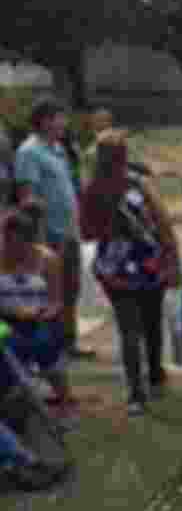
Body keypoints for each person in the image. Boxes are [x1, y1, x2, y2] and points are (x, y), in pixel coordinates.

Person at [80, 131, 181, 414]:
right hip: (144, 260)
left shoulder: (93, 189)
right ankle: (152, 378)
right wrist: (171, 257)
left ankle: (139, 391)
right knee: (145, 323)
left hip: (119, 264)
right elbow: (163, 223)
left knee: (132, 328)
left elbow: (86, 233)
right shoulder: (136, 184)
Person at [13, 97, 94, 359]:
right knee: (51, 292)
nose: (65, 123)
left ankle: (69, 342)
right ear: (46, 120)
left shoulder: (58, 149)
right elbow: (27, 197)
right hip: (48, 235)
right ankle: (51, 346)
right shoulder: (29, 152)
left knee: (71, 289)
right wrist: (40, 237)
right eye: (60, 117)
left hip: (69, 232)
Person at [0, 208, 74, 414]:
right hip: (3, 321)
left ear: (29, 241)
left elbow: (56, 302)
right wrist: (10, 312)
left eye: (18, 243)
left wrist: (41, 313)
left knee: (44, 343)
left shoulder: (48, 259)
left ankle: (64, 401)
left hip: (39, 318)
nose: (12, 248)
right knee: (7, 342)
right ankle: (10, 393)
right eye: (7, 241)